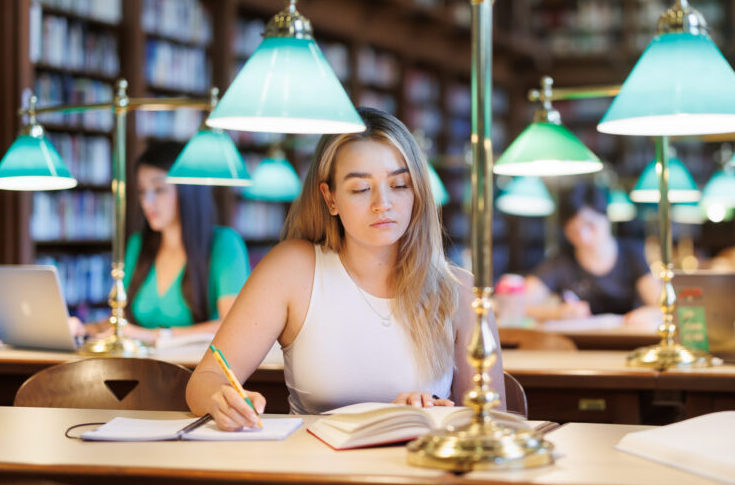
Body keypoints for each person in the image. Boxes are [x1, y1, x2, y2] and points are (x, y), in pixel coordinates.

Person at [185, 108, 505, 431]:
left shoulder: (462, 291)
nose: (383, 204)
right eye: (361, 189)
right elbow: (204, 380)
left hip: (417, 472)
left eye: (399, 185)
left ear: (417, 191)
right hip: (315, 474)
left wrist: (436, 414)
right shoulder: (292, 270)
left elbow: (492, 428)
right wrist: (221, 399)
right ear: (330, 198)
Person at [76, 143, 250, 343]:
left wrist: (154, 336)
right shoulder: (138, 244)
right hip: (140, 367)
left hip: (194, 368)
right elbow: (120, 323)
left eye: (159, 189)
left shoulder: (225, 244)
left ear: (188, 191)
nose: (147, 202)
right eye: (142, 191)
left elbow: (233, 326)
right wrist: (83, 329)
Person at [523, 181, 661, 328]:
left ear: (607, 218)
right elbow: (518, 304)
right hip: (578, 347)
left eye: (590, 225)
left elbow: (663, 305)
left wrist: (649, 313)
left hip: (628, 342)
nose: (583, 236)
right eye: (573, 230)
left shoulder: (632, 254)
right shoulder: (562, 261)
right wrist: (558, 313)